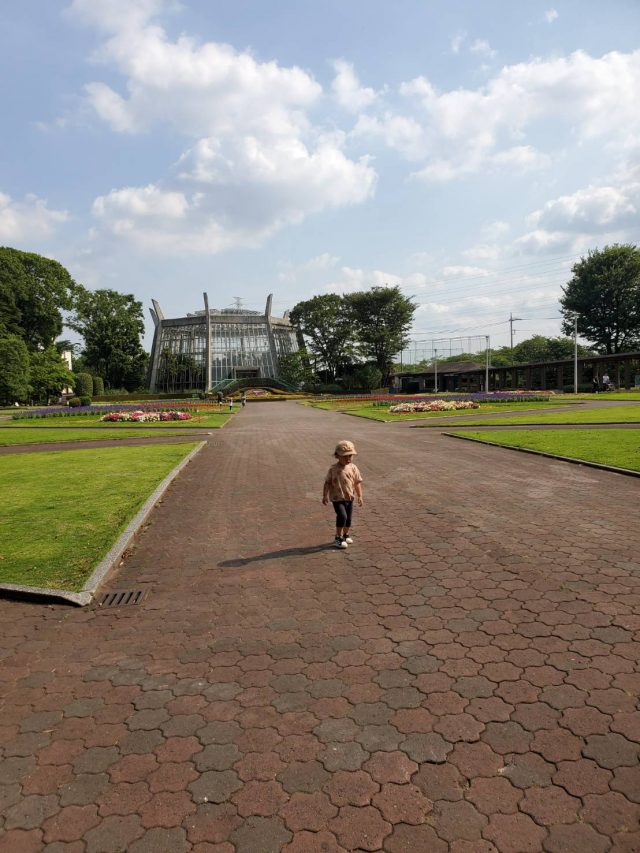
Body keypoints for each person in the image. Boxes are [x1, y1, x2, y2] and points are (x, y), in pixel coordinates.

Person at [322, 440, 364, 549]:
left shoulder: (353, 468)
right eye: (345, 456)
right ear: (337, 456)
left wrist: (360, 496)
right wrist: (325, 495)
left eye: (350, 456)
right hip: (337, 499)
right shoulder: (333, 469)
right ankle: (338, 537)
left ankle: (345, 535)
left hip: (349, 498)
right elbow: (327, 483)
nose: (348, 459)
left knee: (348, 519)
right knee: (342, 516)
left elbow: (357, 483)